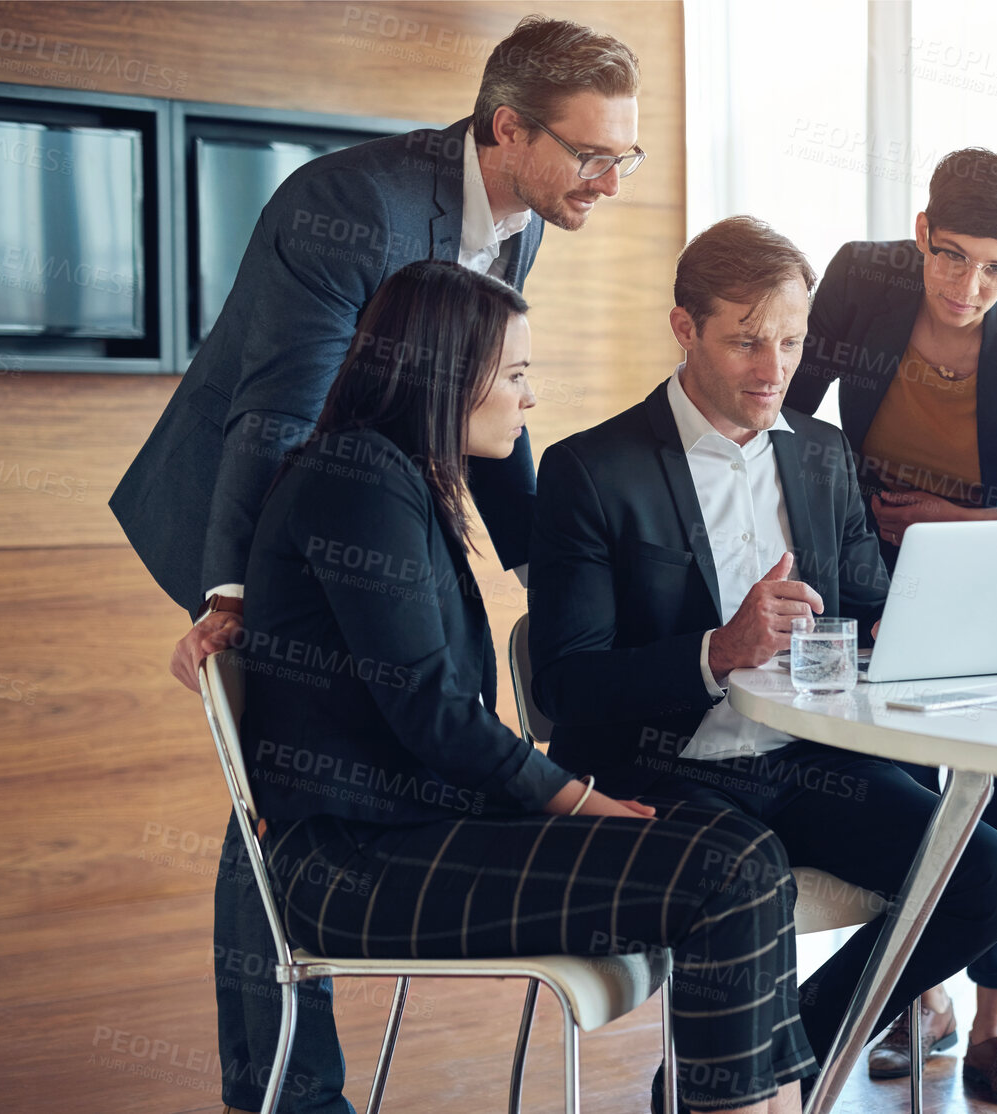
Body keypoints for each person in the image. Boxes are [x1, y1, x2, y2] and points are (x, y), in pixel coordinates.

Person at [107, 17, 645, 1113]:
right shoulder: (353, 208)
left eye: (624, 157)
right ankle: (284, 1090)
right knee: (281, 789)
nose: (611, 181)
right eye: (594, 156)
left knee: (326, 770)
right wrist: (239, 597)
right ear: (509, 128)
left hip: (369, 520)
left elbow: (477, 391)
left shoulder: (521, 214)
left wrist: (555, 566)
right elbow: (278, 414)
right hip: (254, 513)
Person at [245, 259, 810, 1114]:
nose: (527, 398)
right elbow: (436, 714)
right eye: (514, 374)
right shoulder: (359, 482)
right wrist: (579, 800)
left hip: (409, 832)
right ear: (445, 373)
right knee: (731, 872)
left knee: (744, 860)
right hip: (355, 865)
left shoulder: (395, 477)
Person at [526, 216, 997, 1108]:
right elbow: (567, 685)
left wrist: (962, 625)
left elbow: (874, 611)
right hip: (667, 773)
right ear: (684, 329)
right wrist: (718, 652)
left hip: (810, 767)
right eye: (746, 342)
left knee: (989, 877)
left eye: (792, 343)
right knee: (748, 879)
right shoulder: (590, 471)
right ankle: (734, 1082)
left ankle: (774, 1057)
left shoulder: (826, 454)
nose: (773, 370)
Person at [784, 147, 997, 1105]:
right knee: (891, 779)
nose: (970, 286)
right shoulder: (860, 277)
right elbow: (792, 414)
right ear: (922, 233)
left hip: (991, 559)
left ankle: (993, 1032)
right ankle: (912, 998)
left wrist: (963, 523)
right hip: (867, 549)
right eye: (952, 256)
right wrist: (838, 519)